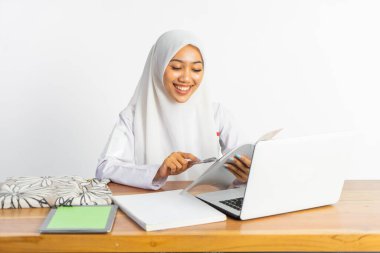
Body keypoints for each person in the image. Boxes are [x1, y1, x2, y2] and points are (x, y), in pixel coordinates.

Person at [96, 30, 251, 190]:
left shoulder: (216, 114)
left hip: (206, 205)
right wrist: (158, 172)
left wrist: (245, 176)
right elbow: (105, 169)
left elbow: (244, 160)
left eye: (196, 69)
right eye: (176, 67)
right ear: (158, 66)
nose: (185, 78)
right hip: (152, 206)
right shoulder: (134, 116)